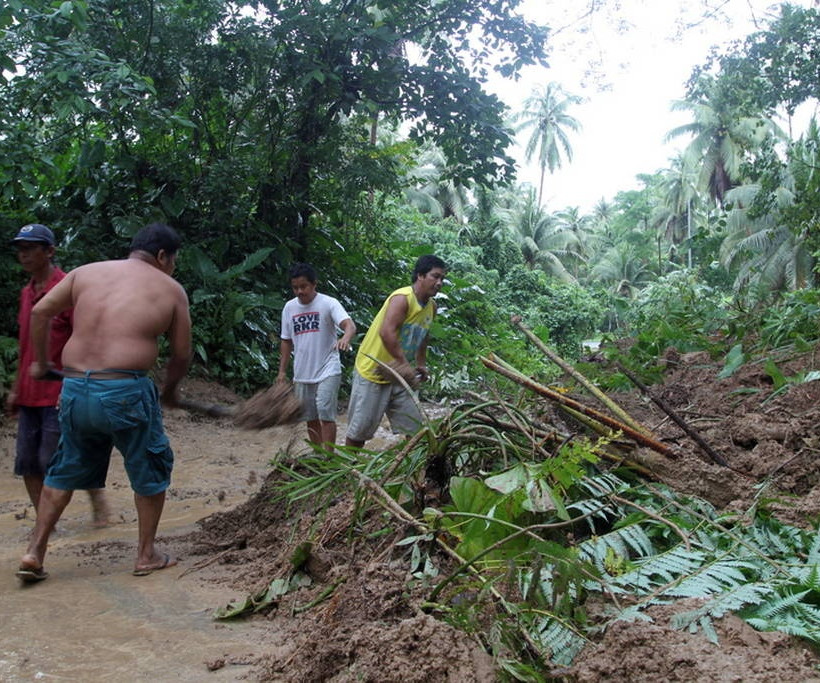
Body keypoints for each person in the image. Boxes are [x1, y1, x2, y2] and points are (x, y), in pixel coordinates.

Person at [16, 222, 191, 583]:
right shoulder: (171, 289)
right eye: (173, 261)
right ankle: (146, 555)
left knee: (64, 468)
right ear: (162, 256)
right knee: (150, 468)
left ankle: (35, 550)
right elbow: (182, 355)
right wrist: (171, 391)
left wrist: (45, 364)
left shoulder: (85, 274)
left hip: (76, 390)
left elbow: (39, 312)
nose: (173, 268)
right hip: (124, 390)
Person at [5, 224, 110, 527]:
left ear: (49, 251)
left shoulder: (68, 289)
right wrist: (15, 388)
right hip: (29, 392)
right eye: (21, 249)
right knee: (27, 463)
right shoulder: (27, 292)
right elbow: (26, 347)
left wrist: (79, 384)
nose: (23, 255)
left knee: (52, 460)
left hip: (61, 390)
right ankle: (45, 523)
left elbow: (86, 339)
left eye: (31, 248)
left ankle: (94, 498)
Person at [345, 255, 446, 448]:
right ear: (420, 276)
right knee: (359, 432)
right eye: (435, 276)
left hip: (400, 375)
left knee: (416, 431)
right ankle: (346, 471)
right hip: (375, 371)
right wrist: (404, 364)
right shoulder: (403, 299)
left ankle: (417, 474)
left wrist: (420, 364)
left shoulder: (432, 307)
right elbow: (386, 332)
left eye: (442, 278)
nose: (439, 282)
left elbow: (424, 335)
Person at [277, 263, 356, 447]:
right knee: (310, 417)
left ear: (314, 284)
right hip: (302, 372)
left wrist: (345, 338)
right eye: (295, 287)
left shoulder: (328, 303)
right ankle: (318, 456)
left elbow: (349, 325)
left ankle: (328, 460)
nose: (299, 291)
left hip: (328, 367)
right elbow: (286, 341)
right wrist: (282, 371)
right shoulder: (289, 308)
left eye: (303, 286)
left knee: (325, 414)